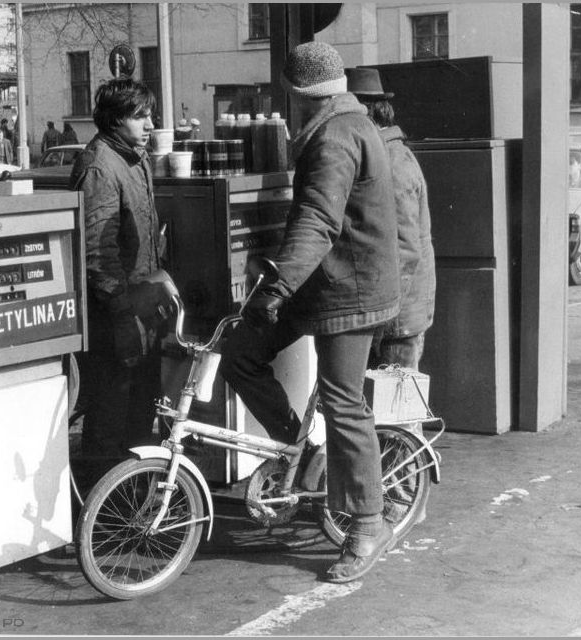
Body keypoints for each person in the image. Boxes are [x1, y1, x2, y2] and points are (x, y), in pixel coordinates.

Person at [219, 42, 400, 583]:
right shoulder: (346, 122)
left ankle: (369, 524)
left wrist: (275, 289)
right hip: (328, 283)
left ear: (296, 96)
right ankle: (298, 452)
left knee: (344, 403)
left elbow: (319, 221)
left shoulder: (335, 137)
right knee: (241, 356)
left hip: (349, 291)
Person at [68, 78, 166, 478]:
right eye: (139, 116)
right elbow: (97, 253)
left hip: (141, 309)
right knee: (110, 417)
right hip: (115, 317)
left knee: (140, 414)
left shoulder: (133, 158)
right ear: (113, 120)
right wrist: (124, 316)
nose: (149, 125)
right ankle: (101, 513)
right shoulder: (99, 166)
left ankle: (133, 509)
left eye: (149, 116)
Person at [347, 67, 436, 372]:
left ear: (364, 115)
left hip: (395, 323)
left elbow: (405, 251)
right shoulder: (387, 155)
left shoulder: (392, 163)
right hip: (396, 317)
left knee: (395, 417)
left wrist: (378, 321)